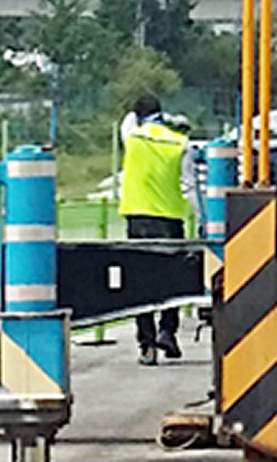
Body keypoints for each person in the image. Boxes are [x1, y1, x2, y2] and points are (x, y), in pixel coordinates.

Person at [120, 94, 197, 366]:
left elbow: (127, 121)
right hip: (170, 219)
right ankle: (168, 332)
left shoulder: (132, 137)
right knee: (172, 279)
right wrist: (203, 219)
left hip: (137, 217)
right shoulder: (180, 143)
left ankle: (147, 345)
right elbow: (189, 185)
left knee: (140, 281)